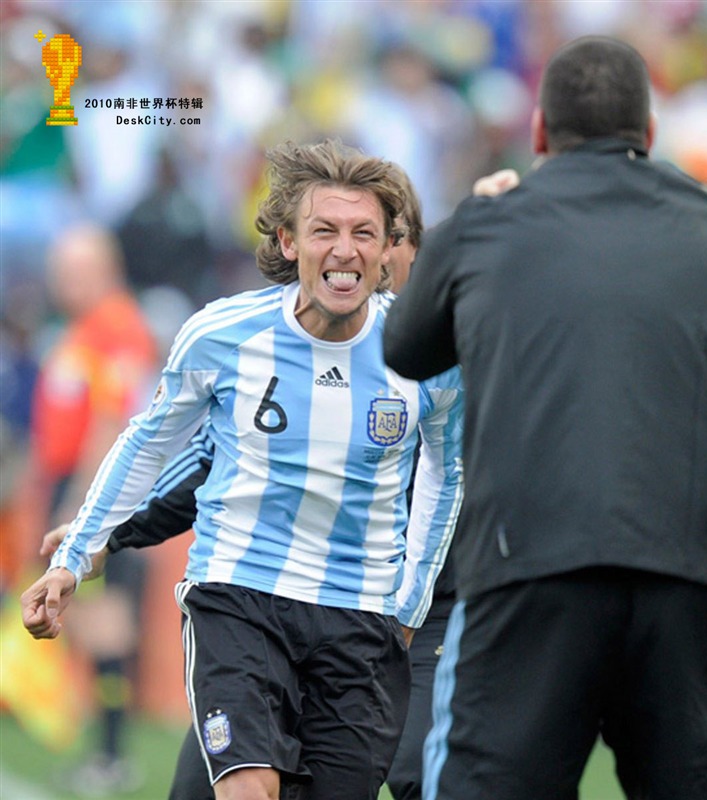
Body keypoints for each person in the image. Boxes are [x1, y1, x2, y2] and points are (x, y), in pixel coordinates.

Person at [383, 35, 707, 800]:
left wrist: (470, 218)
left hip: (531, 564)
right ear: (650, 134)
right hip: (690, 569)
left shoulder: (490, 222)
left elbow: (406, 346)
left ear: (538, 132)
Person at [21, 139, 464, 800]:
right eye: (325, 231)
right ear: (289, 242)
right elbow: (153, 445)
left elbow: (446, 473)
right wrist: (82, 547)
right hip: (239, 596)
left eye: (364, 233)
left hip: (360, 612)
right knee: (242, 787)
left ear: (387, 249)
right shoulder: (222, 336)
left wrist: (410, 601)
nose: (344, 249)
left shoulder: (426, 354)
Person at [29, 223, 159, 794]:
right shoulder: (82, 329)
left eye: (73, 269)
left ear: (102, 269)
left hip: (101, 496)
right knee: (92, 623)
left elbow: (111, 424)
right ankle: (101, 749)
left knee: (107, 625)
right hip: (77, 487)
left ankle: (110, 755)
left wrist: (84, 513)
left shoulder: (116, 328)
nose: (62, 280)